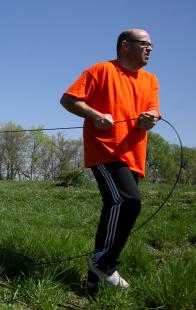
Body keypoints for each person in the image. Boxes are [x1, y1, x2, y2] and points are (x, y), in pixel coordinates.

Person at [60, 29, 160, 289]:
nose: (150, 49)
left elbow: (152, 113)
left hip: (134, 154)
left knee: (114, 208)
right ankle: (105, 264)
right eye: (144, 44)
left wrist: (150, 119)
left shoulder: (150, 80)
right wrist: (95, 115)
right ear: (125, 45)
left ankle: (94, 282)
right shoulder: (101, 70)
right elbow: (68, 99)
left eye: (152, 45)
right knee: (127, 201)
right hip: (105, 149)